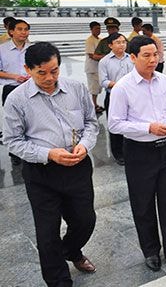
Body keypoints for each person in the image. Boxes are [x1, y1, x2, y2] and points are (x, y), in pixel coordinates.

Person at [3, 42, 99, 286]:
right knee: (47, 233)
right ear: (28, 69)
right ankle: (59, 281)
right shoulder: (16, 100)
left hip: (77, 166)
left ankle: (70, 250)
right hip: (41, 173)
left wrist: (85, 145)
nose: (49, 78)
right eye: (41, 73)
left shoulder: (76, 88)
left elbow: (91, 122)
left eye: (54, 71)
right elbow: (12, 141)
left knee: (85, 221)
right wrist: (48, 154)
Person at [108, 36, 166, 272]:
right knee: (143, 203)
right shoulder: (123, 87)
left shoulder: (164, 81)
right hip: (139, 152)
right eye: (146, 55)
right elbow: (114, 124)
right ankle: (150, 251)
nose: (152, 60)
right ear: (133, 57)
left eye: (155, 55)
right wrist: (148, 127)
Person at [0, 18, 32, 165]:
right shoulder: (2, 49)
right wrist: (14, 76)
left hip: (30, 88)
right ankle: (15, 151)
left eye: (26, 29)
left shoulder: (32, 49)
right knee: (13, 121)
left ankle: (30, 146)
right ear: (11, 31)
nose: (23, 32)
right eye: (20, 29)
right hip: (11, 88)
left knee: (30, 118)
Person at [98, 33, 134, 166]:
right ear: (110, 45)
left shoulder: (131, 58)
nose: (122, 45)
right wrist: (119, 85)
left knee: (131, 122)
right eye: (118, 42)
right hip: (113, 96)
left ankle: (130, 150)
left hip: (131, 95)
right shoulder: (104, 61)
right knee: (115, 124)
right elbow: (103, 81)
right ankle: (118, 153)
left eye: (123, 42)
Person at [85, 21, 104, 114]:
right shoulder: (90, 40)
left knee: (97, 88)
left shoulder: (100, 40)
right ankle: (93, 106)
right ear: (91, 29)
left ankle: (95, 104)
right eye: (96, 28)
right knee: (93, 89)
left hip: (98, 68)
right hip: (92, 68)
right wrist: (105, 57)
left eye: (99, 28)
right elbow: (91, 55)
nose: (98, 30)